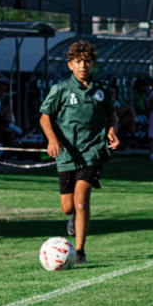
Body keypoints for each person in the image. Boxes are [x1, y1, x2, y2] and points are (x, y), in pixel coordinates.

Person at [40, 40, 119, 263]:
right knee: (68, 207)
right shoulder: (61, 90)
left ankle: (80, 252)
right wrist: (52, 139)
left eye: (87, 61)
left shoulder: (101, 90)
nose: (83, 66)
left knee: (82, 199)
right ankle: (73, 216)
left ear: (93, 64)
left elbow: (112, 114)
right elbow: (44, 117)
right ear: (70, 65)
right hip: (66, 153)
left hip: (93, 151)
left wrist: (112, 130)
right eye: (77, 62)